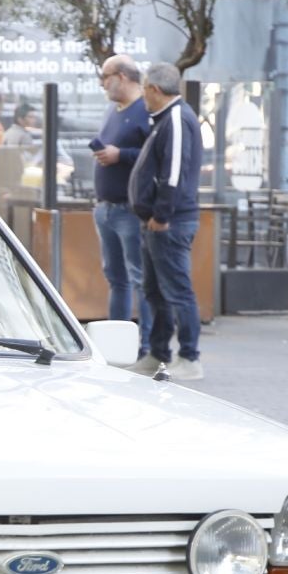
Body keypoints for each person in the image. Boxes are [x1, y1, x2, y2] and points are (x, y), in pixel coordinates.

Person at [128, 62, 205, 380]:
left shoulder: (175, 119)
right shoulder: (165, 119)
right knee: (155, 291)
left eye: (144, 87)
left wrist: (161, 216)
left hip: (169, 224)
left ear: (155, 90)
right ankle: (158, 353)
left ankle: (189, 358)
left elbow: (173, 172)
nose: (143, 94)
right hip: (157, 223)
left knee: (177, 291)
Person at [89, 56, 152, 357]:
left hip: (129, 209)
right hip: (105, 208)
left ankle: (148, 346)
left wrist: (121, 155)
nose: (103, 82)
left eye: (106, 75)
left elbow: (154, 154)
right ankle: (117, 344)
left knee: (139, 278)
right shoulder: (112, 111)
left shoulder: (145, 111)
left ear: (124, 76)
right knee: (117, 279)